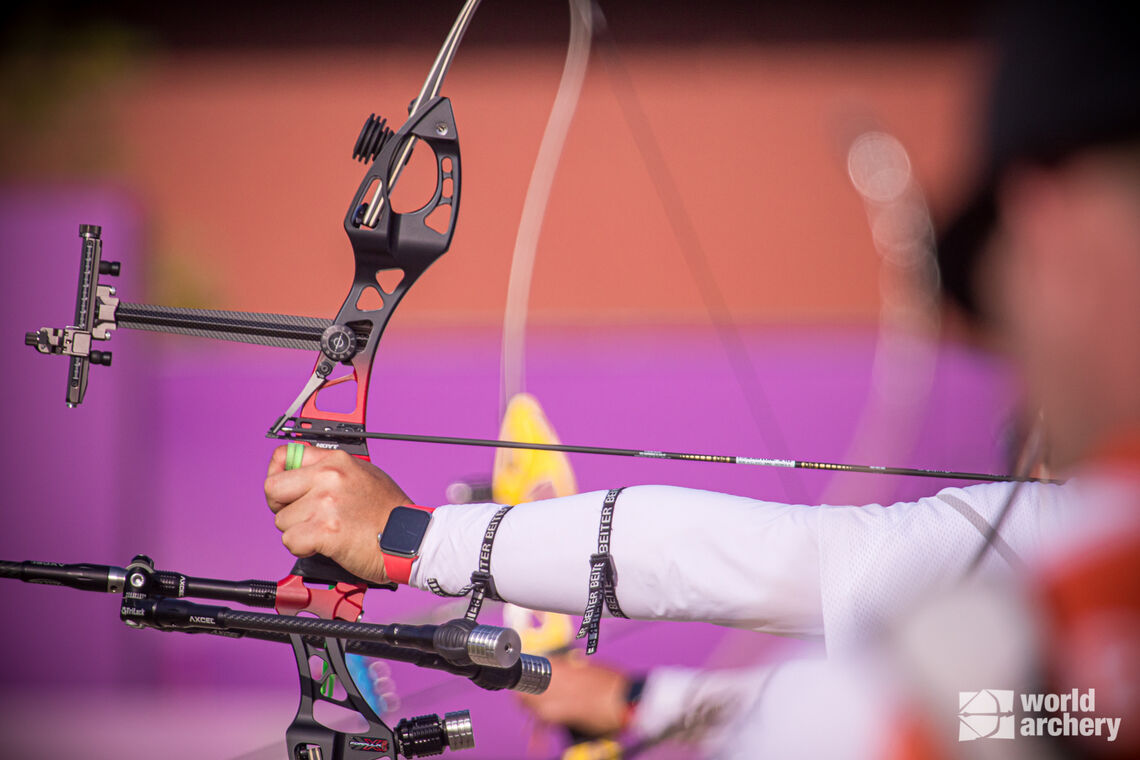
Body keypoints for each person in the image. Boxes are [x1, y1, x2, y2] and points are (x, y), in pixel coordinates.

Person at [266, 2, 1140, 756]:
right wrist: (637, 702)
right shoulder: (1061, 646)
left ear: (1049, 228)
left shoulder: (1088, 573)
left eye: (997, 282)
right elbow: (952, 709)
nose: (1011, 357)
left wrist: (413, 536)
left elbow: (782, 588)